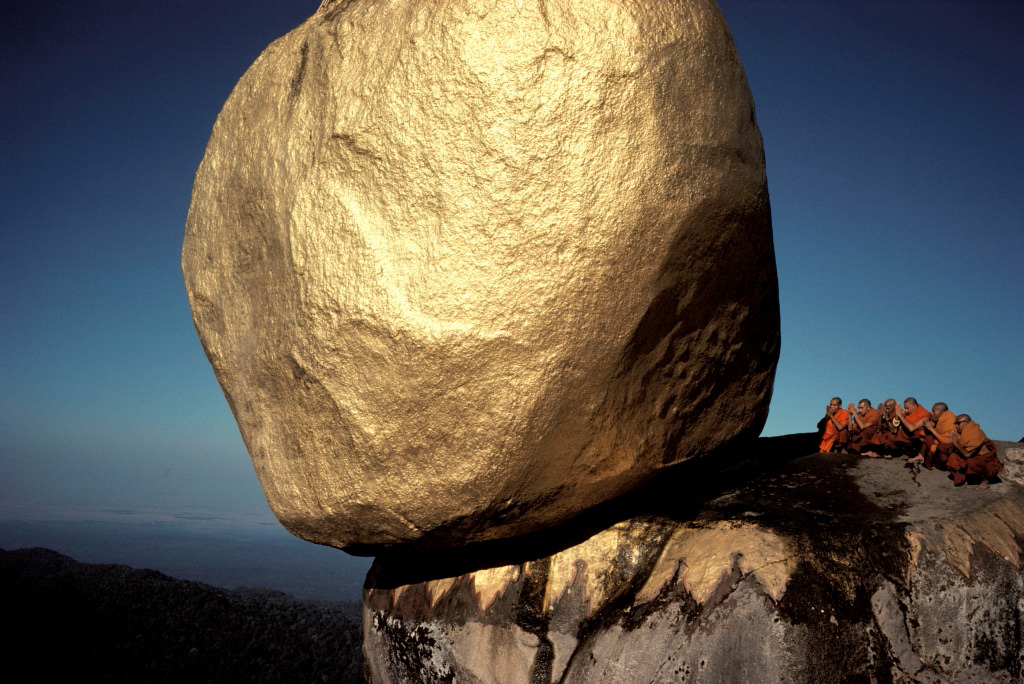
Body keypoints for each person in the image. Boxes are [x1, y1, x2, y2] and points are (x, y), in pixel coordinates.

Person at [947, 414, 1002, 489]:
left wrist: (956, 443)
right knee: (953, 457)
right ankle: (970, 478)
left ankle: (984, 480)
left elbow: (968, 455)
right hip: (973, 458)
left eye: (958, 423)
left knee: (972, 461)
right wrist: (952, 442)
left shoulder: (975, 434)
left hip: (987, 465)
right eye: (955, 424)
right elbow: (951, 451)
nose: (956, 426)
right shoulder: (962, 434)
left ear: (965, 423)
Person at [921, 402, 956, 470]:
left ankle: (943, 464)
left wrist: (931, 429)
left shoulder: (950, 420)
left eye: (934, 411)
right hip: (939, 440)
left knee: (942, 446)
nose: (932, 413)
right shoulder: (939, 418)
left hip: (951, 446)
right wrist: (930, 427)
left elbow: (948, 441)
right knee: (928, 439)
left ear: (941, 411)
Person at [894, 397, 931, 462]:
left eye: (907, 408)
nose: (906, 410)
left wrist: (901, 416)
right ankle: (909, 453)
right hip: (910, 436)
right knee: (898, 433)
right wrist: (898, 415)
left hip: (920, 438)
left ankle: (921, 454)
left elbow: (911, 428)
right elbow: (895, 426)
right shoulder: (906, 413)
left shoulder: (925, 414)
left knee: (920, 434)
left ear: (915, 406)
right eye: (905, 408)